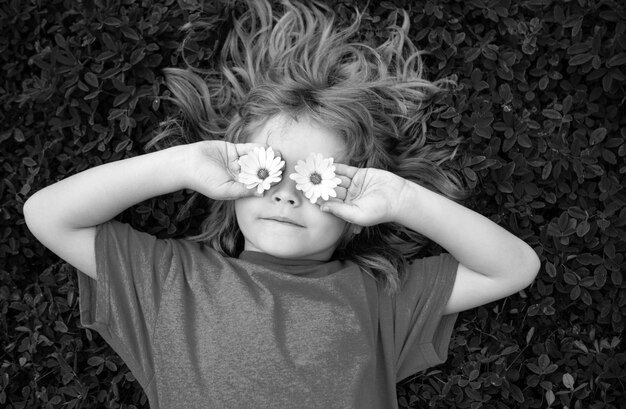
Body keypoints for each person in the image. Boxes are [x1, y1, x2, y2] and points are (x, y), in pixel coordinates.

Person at [23, 1, 540, 408]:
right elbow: (46, 215)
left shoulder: (380, 298)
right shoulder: (167, 278)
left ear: (355, 214)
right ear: (233, 182)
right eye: (268, 170)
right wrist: (181, 165)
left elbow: (513, 267)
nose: (287, 192)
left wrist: (402, 198)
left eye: (320, 181)